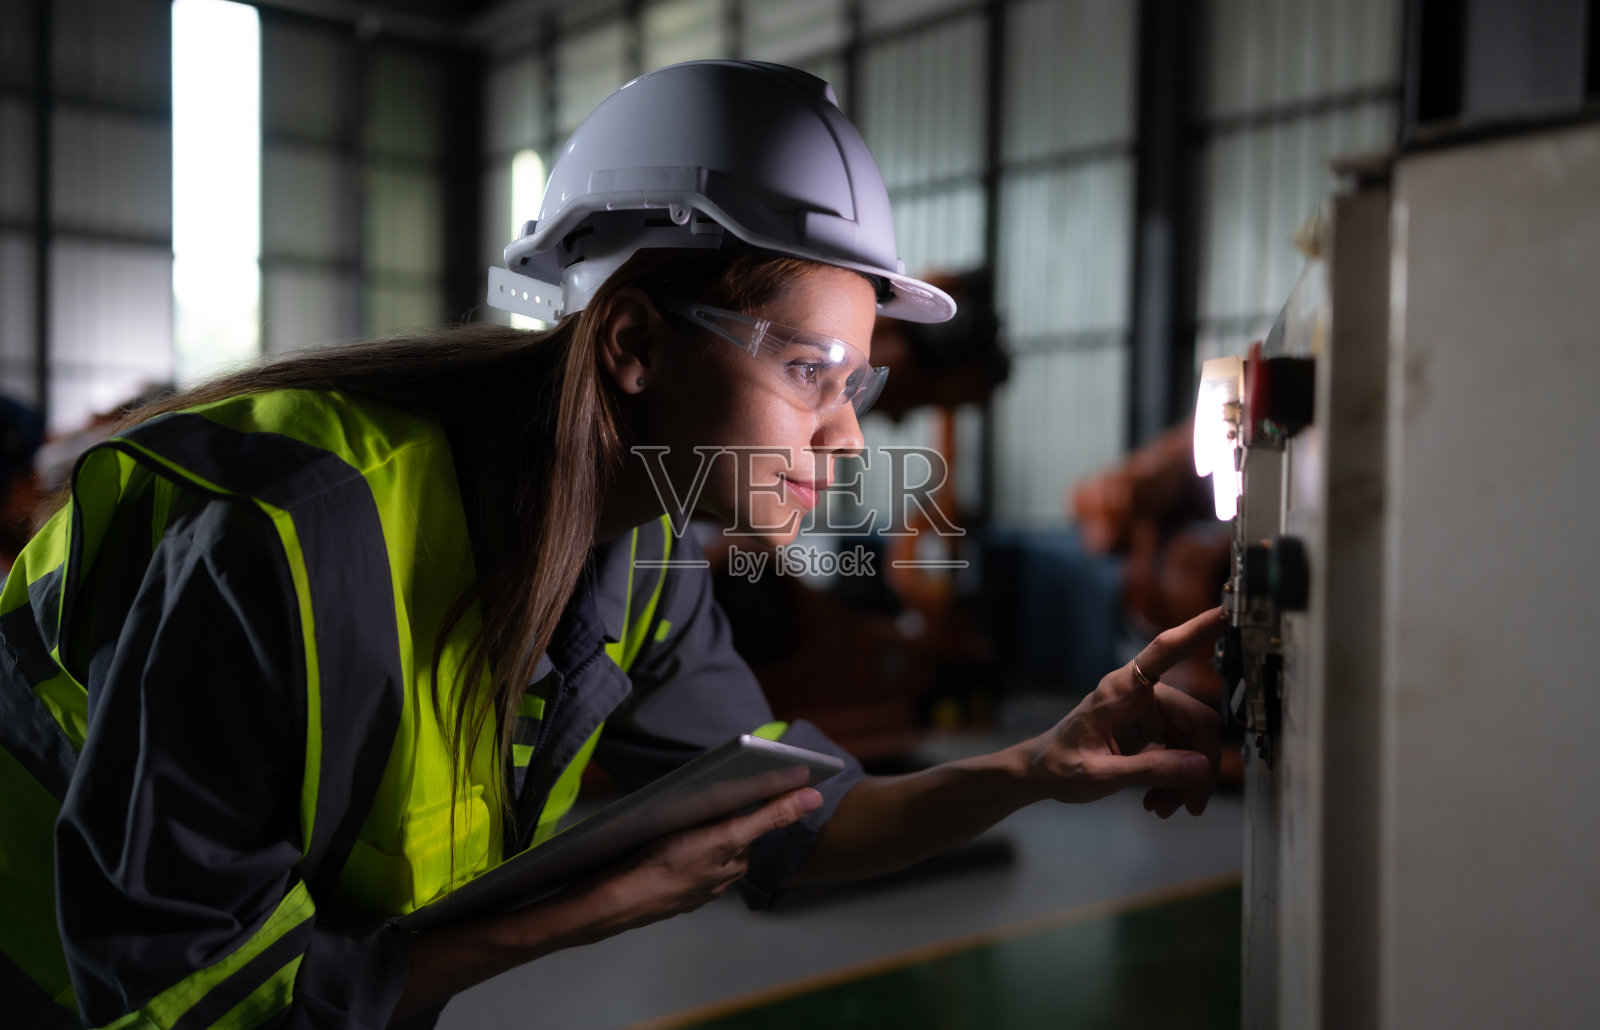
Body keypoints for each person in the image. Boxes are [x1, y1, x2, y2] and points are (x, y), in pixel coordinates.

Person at [0, 61, 1224, 1030]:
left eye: (857, 386)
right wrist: (570, 915)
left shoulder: (636, 556)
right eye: (810, 373)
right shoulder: (286, 543)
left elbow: (798, 819)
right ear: (632, 343)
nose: (845, 442)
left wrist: (1035, 767)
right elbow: (170, 992)